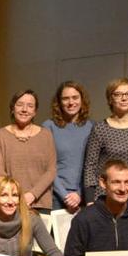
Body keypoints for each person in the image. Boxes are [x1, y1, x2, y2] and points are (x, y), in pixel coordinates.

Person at [83, 79, 128, 212]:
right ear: (110, 99)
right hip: (107, 199)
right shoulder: (100, 128)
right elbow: (90, 166)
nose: (124, 98)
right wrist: (89, 201)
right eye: (118, 94)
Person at [0, 90, 56, 213]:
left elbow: (51, 170)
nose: (24, 109)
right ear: (12, 108)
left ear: (35, 111)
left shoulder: (46, 135)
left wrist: (32, 195)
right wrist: (16, 197)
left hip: (40, 203)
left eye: (30, 106)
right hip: (9, 204)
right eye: (20, 104)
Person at [43, 81, 94, 212]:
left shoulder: (93, 127)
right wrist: (64, 195)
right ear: (59, 102)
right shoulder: (48, 127)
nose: (71, 102)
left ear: (82, 100)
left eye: (75, 97)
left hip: (84, 197)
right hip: (55, 197)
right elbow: (47, 166)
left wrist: (79, 193)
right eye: (65, 98)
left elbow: (92, 166)